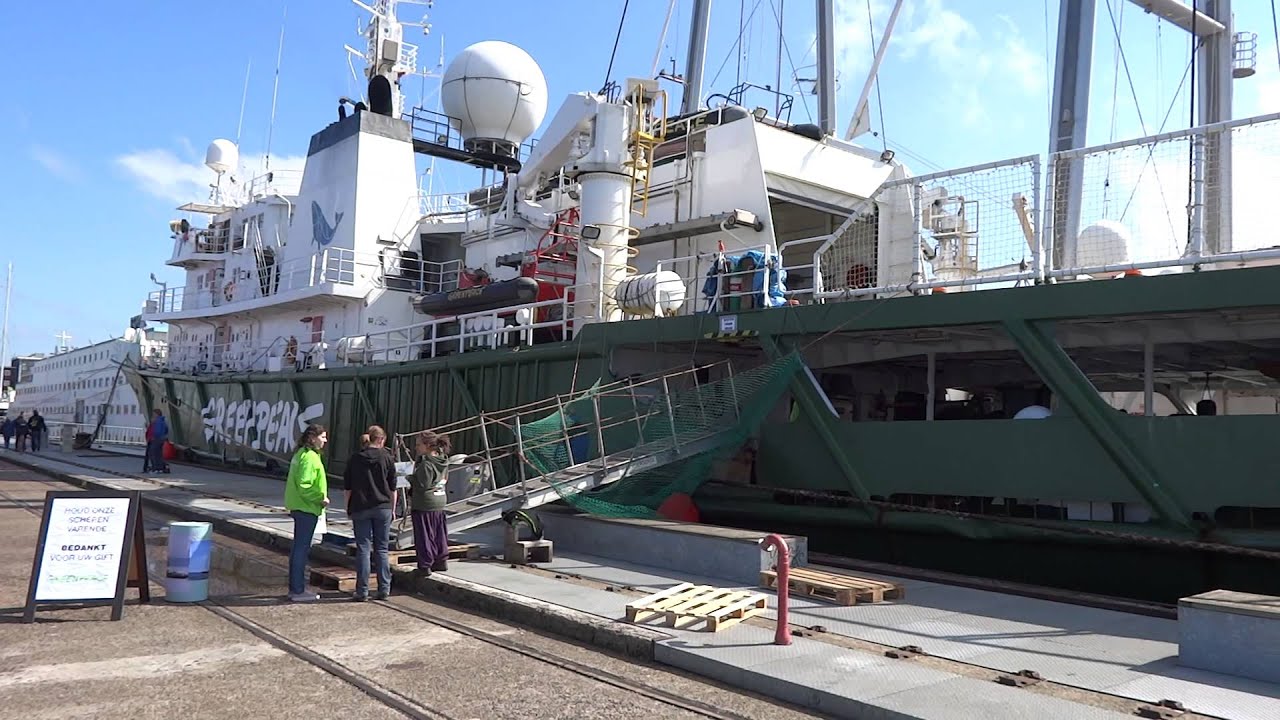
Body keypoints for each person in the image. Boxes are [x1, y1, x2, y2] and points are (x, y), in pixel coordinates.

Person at [343, 425, 397, 601]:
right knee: (382, 549)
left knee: (363, 549)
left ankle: (362, 591)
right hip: (383, 508)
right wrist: (393, 509)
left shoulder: (355, 459)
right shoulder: (388, 458)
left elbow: (348, 488)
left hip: (360, 507)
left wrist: (347, 507)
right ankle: (384, 589)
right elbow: (393, 488)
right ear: (381, 439)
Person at [285, 423, 329, 602]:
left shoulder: (300, 454)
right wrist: (320, 498)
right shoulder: (309, 457)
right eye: (323, 437)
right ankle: (297, 590)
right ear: (313, 438)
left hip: (300, 506)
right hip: (306, 507)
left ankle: (296, 588)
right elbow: (305, 485)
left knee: (298, 548)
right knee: (302, 549)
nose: (325, 440)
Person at [408, 430, 453, 575]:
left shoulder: (427, 464)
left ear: (427, 445)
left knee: (424, 535)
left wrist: (409, 478)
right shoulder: (443, 460)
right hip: (439, 499)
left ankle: (425, 564)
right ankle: (441, 559)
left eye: (418, 444)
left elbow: (423, 484)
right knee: (439, 532)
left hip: (425, 503)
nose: (416, 448)